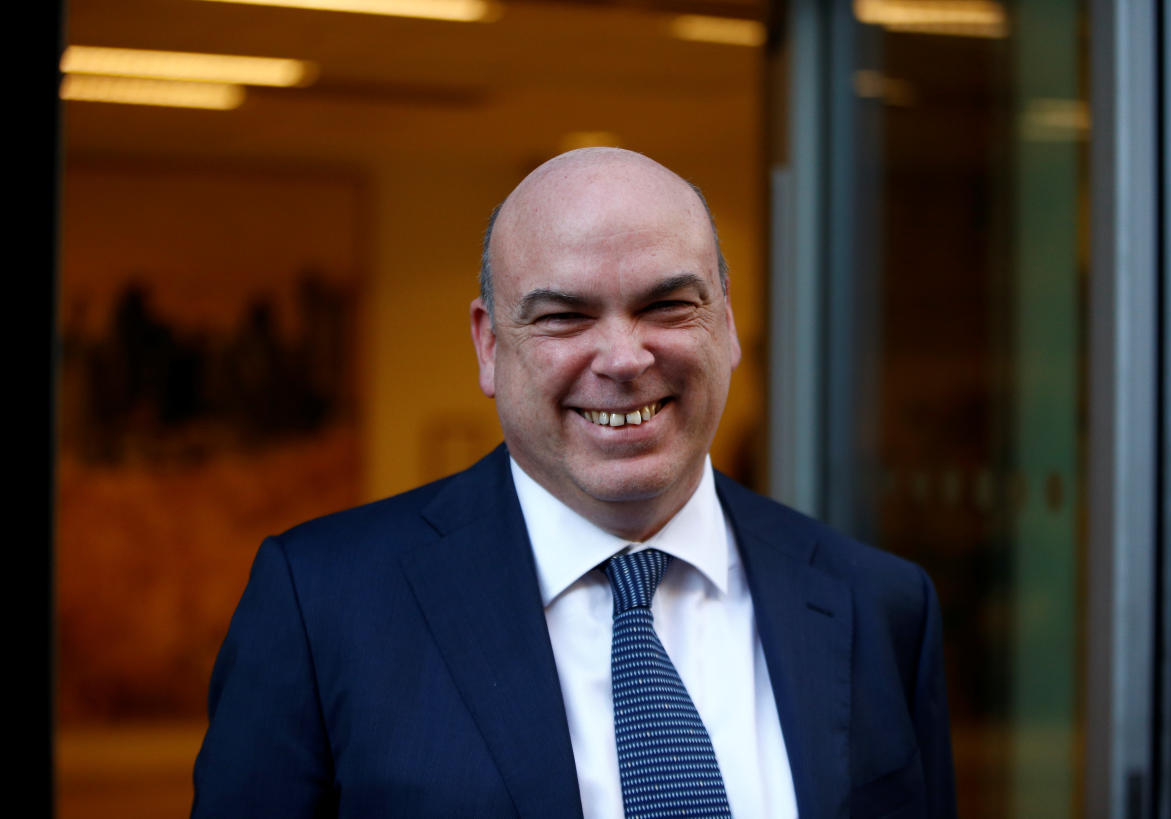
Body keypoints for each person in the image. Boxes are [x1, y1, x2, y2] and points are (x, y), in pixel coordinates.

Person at [192, 148, 957, 818]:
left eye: (667, 304)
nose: (624, 358)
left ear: (724, 322)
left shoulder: (879, 607)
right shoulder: (321, 607)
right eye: (564, 316)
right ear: (490, 346)